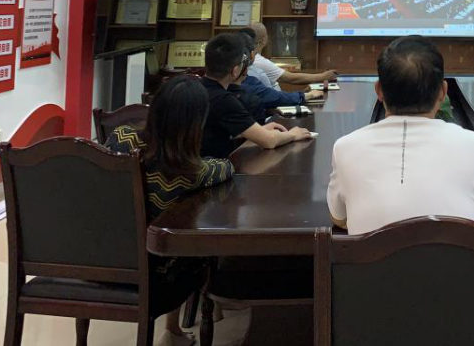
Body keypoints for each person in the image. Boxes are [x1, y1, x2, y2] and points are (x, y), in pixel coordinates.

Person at [327, 37, 474, 235]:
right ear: (443, 92)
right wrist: (471, 216)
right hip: (454, 256)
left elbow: (338, 217)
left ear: (379, 91)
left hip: (371, 257)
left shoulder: (345, 148)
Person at [106, 75, 235, 344]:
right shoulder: (189, 171)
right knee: (194, 255)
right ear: (196, 123)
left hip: (99, 257)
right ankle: (175, 329)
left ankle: (174, 332)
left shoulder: (120, 138)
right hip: (154, 279)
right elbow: (226, 167)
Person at [200, 32, 315, 158]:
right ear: (235, 71)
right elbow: (269, 141)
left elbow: (211, 134)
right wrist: (292, 134)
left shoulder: (196, 88)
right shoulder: (224, 100)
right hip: (213, 166)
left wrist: (259, 130)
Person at [231, 28, 325, 122]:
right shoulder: (253, 80)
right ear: (252, 55)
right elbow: (274, 97)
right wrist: (305, 95)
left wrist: (302, 95)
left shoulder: (239, 81)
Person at [246, 21, 338, 87]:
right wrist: (323, 76)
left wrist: (303, 95)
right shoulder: (258, 61)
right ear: (263, 40)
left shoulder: (248, 56)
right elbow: (292, 79)